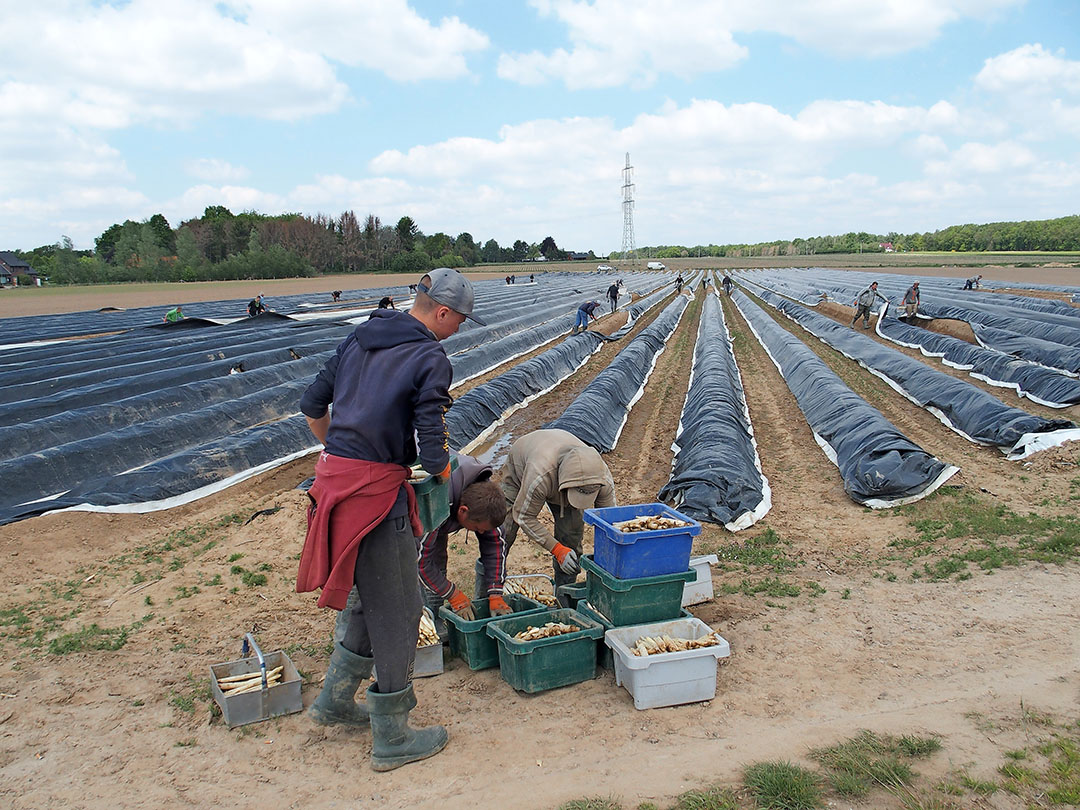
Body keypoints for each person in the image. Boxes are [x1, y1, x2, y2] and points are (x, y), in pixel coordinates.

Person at [296, 267, 484, 771]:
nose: (459, 329)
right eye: (459, 320)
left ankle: (335, 701)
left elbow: (312, 404)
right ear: (441, 312)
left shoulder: (361, 337)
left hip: (333, 485)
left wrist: (342, 450)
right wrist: (443, 471)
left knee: (367, 596)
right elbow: (431, 443)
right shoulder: (429, 356)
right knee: (400, 610)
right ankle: (393, 737)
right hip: (375, 497)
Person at [497, 429, 615, 594]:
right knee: (502, 535)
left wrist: (610, 561)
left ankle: (564, 595)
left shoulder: (602, 479)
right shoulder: (540, 475)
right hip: (522, 465)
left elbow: (610, 523)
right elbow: (524, 517)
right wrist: (557, 549)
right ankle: (488, 591)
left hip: (562, 473)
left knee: (571, 539)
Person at [419, 454, 509, 637]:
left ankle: (435, 616)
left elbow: (495, 544)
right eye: (477, 529)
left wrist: (495, 591)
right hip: (401, 497)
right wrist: (453, 595)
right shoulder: (436, 501)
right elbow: (420, 561)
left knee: (438, 555)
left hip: (444, 502)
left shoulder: (486, 499)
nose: (480, 533)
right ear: (463, 511)